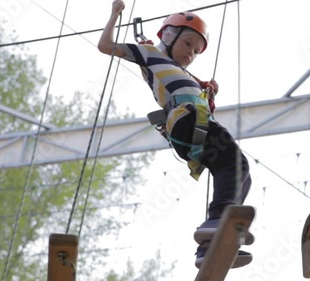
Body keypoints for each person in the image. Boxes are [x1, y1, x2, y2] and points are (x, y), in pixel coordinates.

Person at [98, 0, 252, 268]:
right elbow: (106, 46)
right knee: (234, 162)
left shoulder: (187, 76)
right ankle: (217, 222)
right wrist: (114, 15)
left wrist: (209, 95)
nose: (191, 53)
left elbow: (203, 105)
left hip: (193, 126)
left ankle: (209, 246)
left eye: (196, 51)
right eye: (187, 44)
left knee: (241, 173)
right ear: (168, 37)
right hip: (187, 121)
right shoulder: (150, 54)